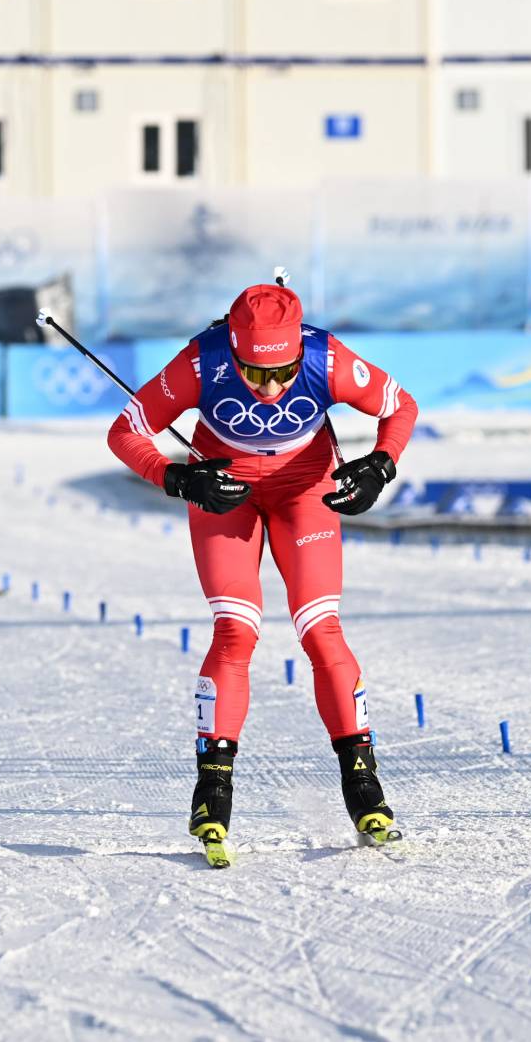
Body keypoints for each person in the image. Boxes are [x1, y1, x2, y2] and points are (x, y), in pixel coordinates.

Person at [107, 279, 419, 865]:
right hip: (224, 490)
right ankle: (212, 791)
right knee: (235, 631)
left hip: (306, 490)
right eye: (254, 374)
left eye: (282, 374)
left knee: (321, 627)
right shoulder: (202, 361)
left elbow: (400, 406)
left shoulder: (326, 357)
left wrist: (381, 465)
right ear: (234, 347)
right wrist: (177, 477)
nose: (271, 390)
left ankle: (364, 786)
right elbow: (124, 432)